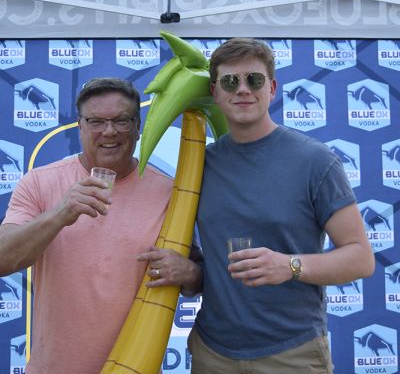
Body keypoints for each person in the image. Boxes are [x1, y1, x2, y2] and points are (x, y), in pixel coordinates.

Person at [144, 38, 375, 373]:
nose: (242, 90)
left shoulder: (315, 160)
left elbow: (360, 258)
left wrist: (290, 266)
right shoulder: (198, 166)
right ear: (215, 91)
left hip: (291, 353)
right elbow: (206, 264)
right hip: (214, 354)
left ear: (272, 88)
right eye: (229, 81)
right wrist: (192, 273)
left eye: (253, 80)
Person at [0, 78, 177, 374]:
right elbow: (3, 258)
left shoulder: (169, 191)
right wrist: (60, 214)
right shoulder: (40, 182)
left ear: (137, 126)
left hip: (137, 368)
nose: (109, 131)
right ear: (80, 126)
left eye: (121, 121)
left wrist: (192, 272)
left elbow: (193, 272)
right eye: (96, 121)